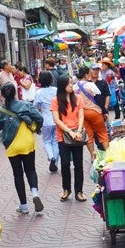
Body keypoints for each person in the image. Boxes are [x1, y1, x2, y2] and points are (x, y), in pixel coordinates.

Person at [0, 83, 44, 214]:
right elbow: (39, 118)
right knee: (31, 170)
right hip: (27, 142)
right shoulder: (26, 105)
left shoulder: (2, 109)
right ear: (16, 93)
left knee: (18, 174)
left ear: (3, 95)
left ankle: (23, 206)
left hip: (12, 145)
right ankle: (35, 194)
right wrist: (36, 128)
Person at [50, 75, 86, 203]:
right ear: (62, 85)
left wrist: (79, 131)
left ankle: (79, 191)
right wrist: (70, 131)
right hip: (63, 136)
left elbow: (81, 116)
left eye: (72, 83)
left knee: (78, 164)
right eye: (68, 83)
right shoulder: (55, 100)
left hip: (77, 135)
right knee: (65, 164)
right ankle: (66, 189)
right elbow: (56, 120)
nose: (71, 85)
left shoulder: (78, 98)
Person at [74, 66, 110, 160]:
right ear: (86, 74)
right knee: (102, 133)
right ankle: (108, 154)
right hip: (94, 112)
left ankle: (93, 156)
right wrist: (104, 111)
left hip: (81, 114)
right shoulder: (90, 85)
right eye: (89, 73)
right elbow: (99, 99)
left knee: (89, 135)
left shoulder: (74, 86)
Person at [33, 71, 59, 173]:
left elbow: (36, 106)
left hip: (45, 120)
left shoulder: (39, 93)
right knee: (56, 142)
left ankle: (51, 157)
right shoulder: (56, 90)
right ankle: (55, 162)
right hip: (56, 119)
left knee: (47, 141)